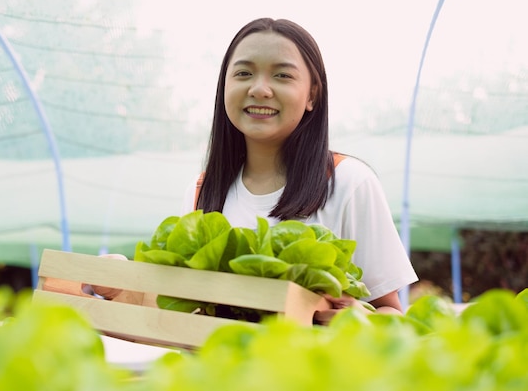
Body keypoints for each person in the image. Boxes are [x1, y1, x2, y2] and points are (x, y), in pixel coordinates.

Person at [95, 17, 418, 325]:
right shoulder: (201, 191)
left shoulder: (349, 182)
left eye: (282, 75)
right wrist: (126, 282)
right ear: (225, 86)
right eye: (244, 74)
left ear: (313, 95)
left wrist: (358, 321)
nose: (260, 89)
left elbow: (390, 315)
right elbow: (182, 311)